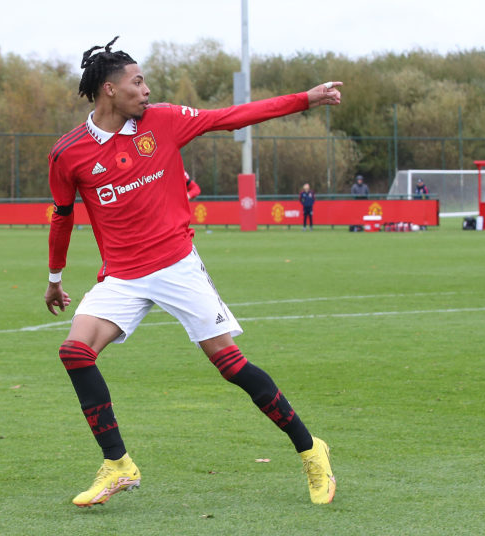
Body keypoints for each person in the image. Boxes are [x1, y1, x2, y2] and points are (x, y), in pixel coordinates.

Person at [45, 37, 340, 508]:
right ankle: (118, 464)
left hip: (177, 265)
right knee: (75, 352)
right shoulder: (68, 154)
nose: (146, 89)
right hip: (121, 275)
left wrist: (306, 98)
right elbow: (63, 216)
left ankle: (311, 449)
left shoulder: (161, 121)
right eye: (136, 82)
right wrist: (56, 276)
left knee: (230, 364)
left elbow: (231, 117)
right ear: (108, 90)